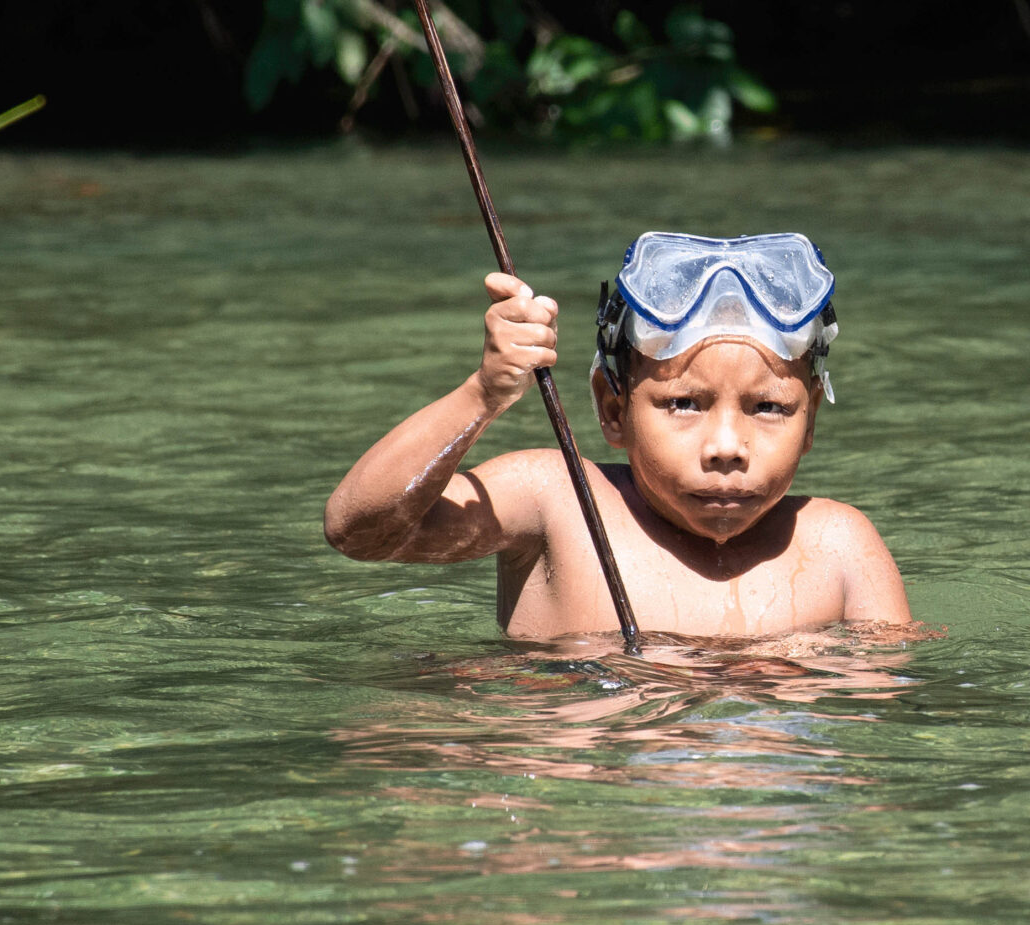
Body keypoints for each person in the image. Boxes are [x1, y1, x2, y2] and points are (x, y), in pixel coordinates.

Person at [324, 232, 910, 648]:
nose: (727, 445)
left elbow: (884, 722)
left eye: (771, 408)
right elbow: (360, 531)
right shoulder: (560, 500)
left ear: (812, 424)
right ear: (612, 410)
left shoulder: (839, 546)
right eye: (683, 403)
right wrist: (483, 394)